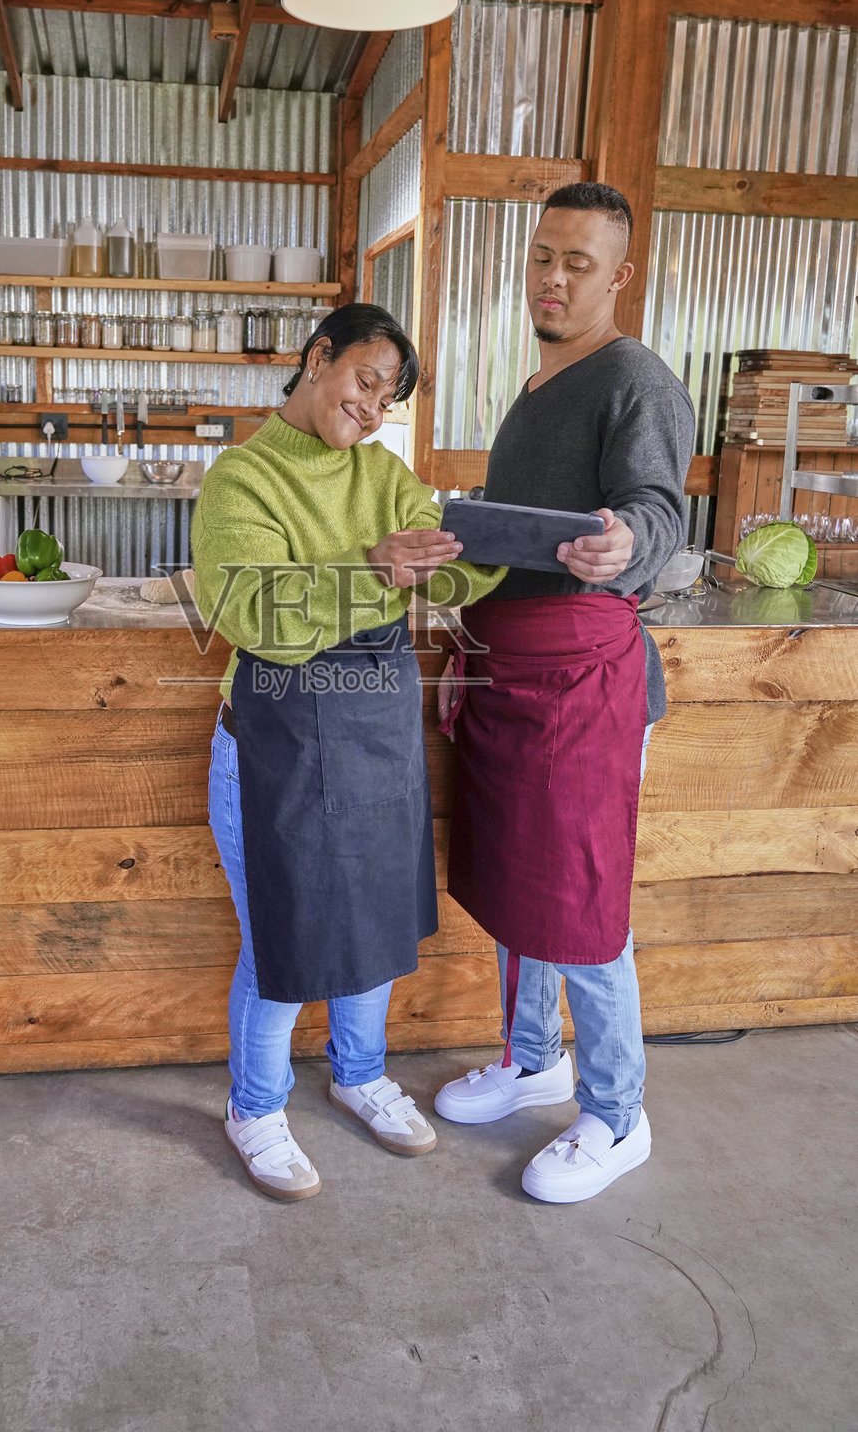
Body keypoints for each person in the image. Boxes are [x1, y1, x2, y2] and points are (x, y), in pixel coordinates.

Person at [192, 304, 505, 1202]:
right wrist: (375, 569)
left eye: (386, 400)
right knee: (282, 940)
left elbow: (450, 572)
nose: (369, 410)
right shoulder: (240, 479)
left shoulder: (385, 473)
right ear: (317, 357)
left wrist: (504, 541)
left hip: (371, 739)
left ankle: (360, 1073)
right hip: (273, 745)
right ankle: (255, 1107)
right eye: (364, 382)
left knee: (371, 921)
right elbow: (256, 614)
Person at [435, 182, 696, 1204]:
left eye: (575, 262)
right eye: (542, 255)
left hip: (585, 675)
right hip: (512, 670)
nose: (550, 276)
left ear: (616, 275)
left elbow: (654, 511)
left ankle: (615, 1112)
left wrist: (628, 540)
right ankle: (531, 1055)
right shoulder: (539, 386)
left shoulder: (635, 381)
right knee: (518, 880)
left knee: (583, 900)